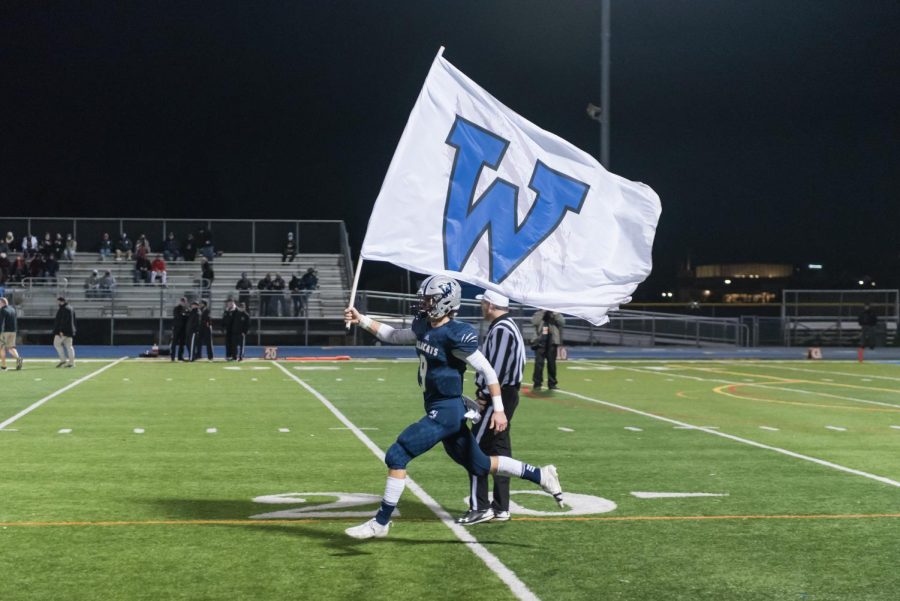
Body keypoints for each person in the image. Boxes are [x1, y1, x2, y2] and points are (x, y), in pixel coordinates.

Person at [342, 275, 564, 540]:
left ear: (445, 301)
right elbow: (393, 335)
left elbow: (488, 371)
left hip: (446, 410)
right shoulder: (425, 326)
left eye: (429, 299)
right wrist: (362, 319)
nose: (423, 304)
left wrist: (499, 409)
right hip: (441, 407)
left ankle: (381, 523)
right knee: (481, 465)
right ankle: (541, 475)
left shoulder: (456, 334)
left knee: (397, 455)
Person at [456, 290, 526, 525]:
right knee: (499, 450)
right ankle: (501, 507)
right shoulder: (509, 325)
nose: (481, 307)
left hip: (500, 395)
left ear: (490, 304)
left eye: (483, 303)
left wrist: (485, 395)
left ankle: (480, 506)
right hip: (505, 394)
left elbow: (494, 368)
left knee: (474, 449)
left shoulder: (502, 329)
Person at [531, 309, 565, 391]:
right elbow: (534, 322)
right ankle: (537, 384)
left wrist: (555, 314)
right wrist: (542, 312)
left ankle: (552, 384)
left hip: (552, 342)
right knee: (539, 364)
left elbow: (562, 323)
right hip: (540, 341)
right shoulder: (538, 313)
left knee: (552, 364)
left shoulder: (555, 313)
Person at [0, 297, 24, 371]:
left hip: (4, 332)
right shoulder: (12, 309)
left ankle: (3, 366)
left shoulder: (2, 310)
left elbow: (1, 322)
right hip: (13, 331)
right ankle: (18, 358)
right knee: (11, 348)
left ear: (2, 303)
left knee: (1, 348)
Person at [52, 296, 76, 368]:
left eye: (58, 301)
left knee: (56, 344)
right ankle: (71, 363)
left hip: (63, 331)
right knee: (69, 347)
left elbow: (63, 321)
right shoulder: (71, 308)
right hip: (70, 330)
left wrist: (61, 330)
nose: (58, 303)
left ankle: (63, 360)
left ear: (61, 301)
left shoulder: (64, 309)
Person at [170, 297, 189, 361]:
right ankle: (172, 357)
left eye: (184, 301)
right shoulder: (176, 308)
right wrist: (184, 315)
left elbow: (187, 317)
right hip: (176, 328)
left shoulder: (187, 309)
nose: (183, 302)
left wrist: (184, 315)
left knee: (182, 343)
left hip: (183, 329)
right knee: (174, 343)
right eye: (182, 301)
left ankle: (180, 357)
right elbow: (178, 316)